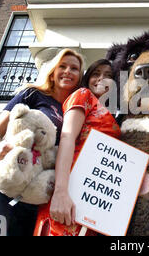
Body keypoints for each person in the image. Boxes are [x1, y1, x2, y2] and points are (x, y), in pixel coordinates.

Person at [0, 48, 84, 236]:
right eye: (62, 66)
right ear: (52, 73)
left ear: (80, 77)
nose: (68, 71)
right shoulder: (32, 94)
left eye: (74, 68)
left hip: (32, 197)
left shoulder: (75, 112)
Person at [34, 59, 121, 236]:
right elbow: (67, 137)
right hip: (68, 192)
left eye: (109, 75)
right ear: (87, 78)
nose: (101, 79)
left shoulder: (116, 115)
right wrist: (60, 192)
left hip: (94, 203)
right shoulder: (83, 95)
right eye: (96, 74)